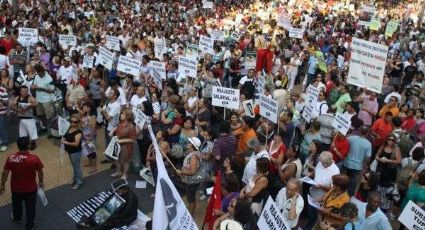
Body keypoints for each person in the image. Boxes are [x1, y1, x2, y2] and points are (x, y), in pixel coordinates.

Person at [0, 137, 44, 230]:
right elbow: (40, 172)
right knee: (30, 208)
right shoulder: (34, 159)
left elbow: (5, 173)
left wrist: (2, 184)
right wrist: (41, 181)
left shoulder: (11, 158)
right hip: (30, 189)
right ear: (28, 146)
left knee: (16, 204)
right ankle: (30, 225)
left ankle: (17, 218)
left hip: (16, 188)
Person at [176, 137, 203, 216]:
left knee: (191, 199)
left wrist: (181, 172)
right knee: (190, 198)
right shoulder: (192, 153)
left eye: (189, 142)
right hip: (190, 181)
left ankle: (191, 215)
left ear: (192, 145)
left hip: (191, 182)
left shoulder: (194, 157)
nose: (187, 143)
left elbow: (192, 171)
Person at [342, 126, 372, 196]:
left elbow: (344, 140)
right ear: (367, 133)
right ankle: (349, 197)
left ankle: (340, 192)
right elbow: (368, 157)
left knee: (343, 180)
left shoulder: (351, 138)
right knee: (352, 183)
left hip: (346, 163)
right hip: (357, 166)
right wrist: (364, 165)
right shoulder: (368, 144)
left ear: (359, 131)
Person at [109, 108, 136, 180]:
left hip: (126, 146)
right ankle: (119, 171)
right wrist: (112, 131)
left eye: (123, 114)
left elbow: (132, 140)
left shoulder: (131, 126)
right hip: (117, 143)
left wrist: (122, 141)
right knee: (116, 159)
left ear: (128, 116)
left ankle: (125, 174)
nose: (121, 115)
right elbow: (116, 127)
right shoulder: (120, 122)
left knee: (125, 161)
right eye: (121, 113)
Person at [12, 86, 38, 150]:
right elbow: (12, 106)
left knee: (32, 133)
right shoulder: (17, 98)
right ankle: (24, 144)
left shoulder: (30, 98)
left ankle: (32, 144)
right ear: (20, 92)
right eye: (23, 91)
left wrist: (27, 107)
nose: (24, 92)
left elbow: (36, 103)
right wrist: (19, 110)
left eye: (26, 91)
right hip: (21, 119)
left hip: (29, 119)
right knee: (22, 134)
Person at [62, 114, 83, 189]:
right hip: (70, 150)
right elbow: (65, 135)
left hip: (76, 151)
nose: (73, 123)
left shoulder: (79, 131)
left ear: (78, 122)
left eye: (75, 122)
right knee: (74, 166)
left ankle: (79, 181)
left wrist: (66, 142)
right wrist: (64, 138)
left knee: (77, 166)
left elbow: (76, 144)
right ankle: (75, 179)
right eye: (71, 121)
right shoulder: (69, 128)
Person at [80, 101, 98, 174]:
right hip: (84, 135)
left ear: (90, 108)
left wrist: (90, 138)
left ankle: (94, 167)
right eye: (84, 106)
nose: (84, 108)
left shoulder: (92, 117)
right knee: (87, 151)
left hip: (89, 136)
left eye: (86, 107)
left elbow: (93, 129)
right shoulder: (85, 115)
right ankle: (90, 163)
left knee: (92, 151)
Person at [0, 76, 8, 152]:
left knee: (1, 128)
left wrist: (1, 100)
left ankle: (4, 143)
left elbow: (6, 103)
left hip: (1, 112)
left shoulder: (2, 89)